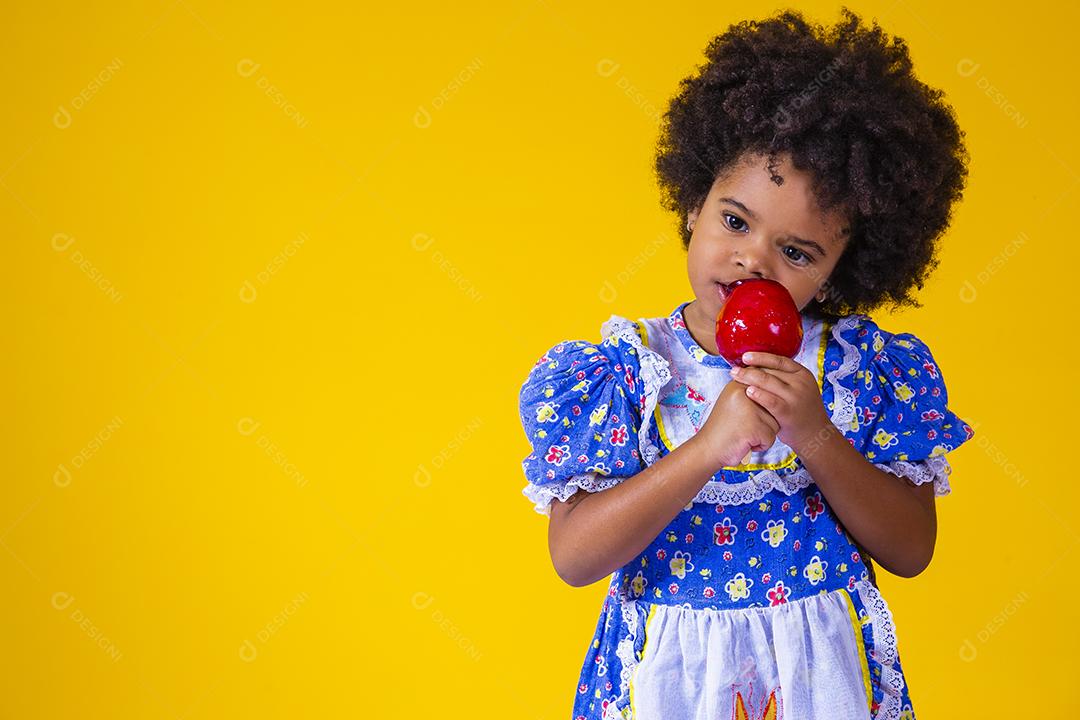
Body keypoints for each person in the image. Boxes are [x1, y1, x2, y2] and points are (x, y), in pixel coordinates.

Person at [516, 7, 975, 720]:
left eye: (796, 252)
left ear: (840, 269)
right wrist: (708, 448)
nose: (754, 259)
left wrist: (814, 433)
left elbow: (912, 549)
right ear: (692, 203)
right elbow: (575, 556)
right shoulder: (626, 372)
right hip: (669, 683)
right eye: (735, 220)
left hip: (822, 685)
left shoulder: (858, 371)